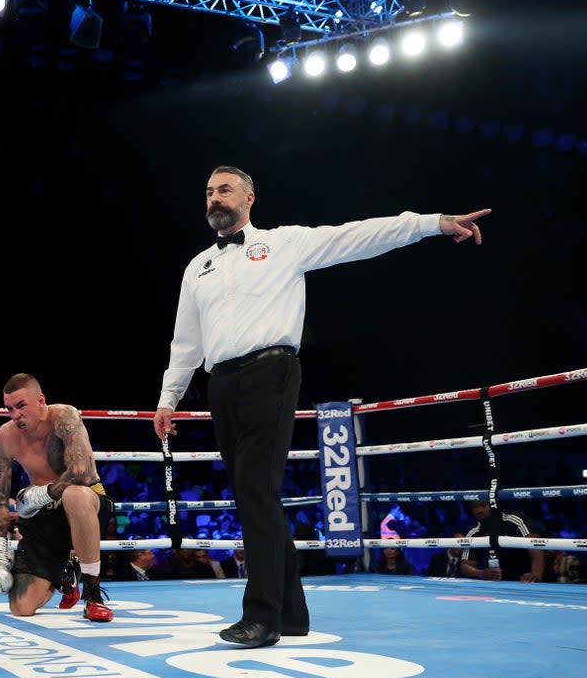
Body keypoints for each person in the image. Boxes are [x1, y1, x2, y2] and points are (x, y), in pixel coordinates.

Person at [153, 163, 491, 648]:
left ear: (250, 198)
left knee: (255, 491)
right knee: (255, 496)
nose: (214, 198)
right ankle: (292, 613)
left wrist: (431, 222)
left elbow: (359, 235)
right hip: (220, 384)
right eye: (208, 191)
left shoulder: (285, 243)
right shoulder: (198, 266)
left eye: (224, 190)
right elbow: (185, 341)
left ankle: (262, 616)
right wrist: (169, 397)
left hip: (271, 372)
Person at [0, 373, 115, 622]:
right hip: (42, 516)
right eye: (9, 408)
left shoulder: (64, 416)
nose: (15, 415)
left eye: (21, 406)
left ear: (41, 400)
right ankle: (66, 571)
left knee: (75, 494)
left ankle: (93, 595)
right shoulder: (5, 436)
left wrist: (42, 493)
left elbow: (81, 472)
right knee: (21, 607)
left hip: (85, 502)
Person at [460, 498, 544, 583]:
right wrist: (482, 573)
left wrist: (535, 575)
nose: (480, 510)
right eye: (475, 507)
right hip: (499, 582)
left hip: (525, 578)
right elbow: (465, 565)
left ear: (494, 504)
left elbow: (536, 548)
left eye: (484, 505)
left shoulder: (516, 521)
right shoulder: (473, 533)